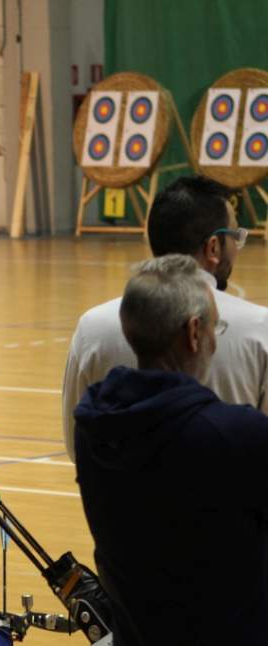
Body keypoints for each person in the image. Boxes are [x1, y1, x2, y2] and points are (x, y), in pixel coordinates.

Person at [74, 254, 268, 645]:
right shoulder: (236, 435)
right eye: (217, 326)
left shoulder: (93, 426)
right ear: (195, 332)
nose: (216, 338)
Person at [62, 175, 268, 460]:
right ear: (213, 248)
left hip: (118, 500)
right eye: (235, 236)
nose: (237, 247)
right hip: (229, 501)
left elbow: (78, 444)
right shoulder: (261, 328)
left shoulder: (93, 325)